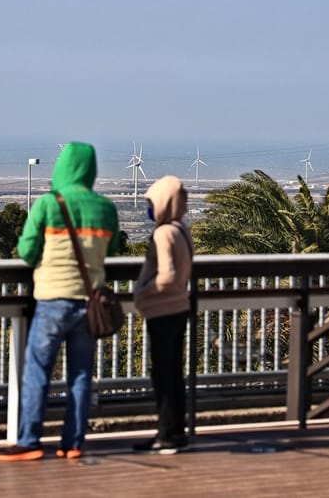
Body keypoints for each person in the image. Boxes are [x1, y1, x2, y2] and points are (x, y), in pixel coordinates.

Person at [0, 142, 120, 462]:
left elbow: (26, 251)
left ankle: (30, 441)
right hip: (89, 302)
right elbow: (113, 250)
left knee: (38, 372)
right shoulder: (105, 208)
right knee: (81, 375)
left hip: (52, 300)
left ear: (62, 166)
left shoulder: (48, 204)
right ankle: (73, 443)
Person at [132, 175, 194, 454]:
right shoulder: (181, 230)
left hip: (163, 310)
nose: (150, 208)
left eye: (152, 203)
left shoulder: (163, 233)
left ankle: (166, 434)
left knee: (163, 375)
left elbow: (167, 275)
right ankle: (176, 432)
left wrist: (144, 292)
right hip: (179, 307)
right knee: (174, 373)